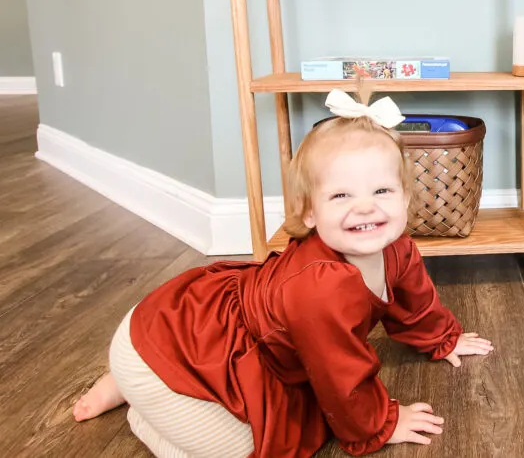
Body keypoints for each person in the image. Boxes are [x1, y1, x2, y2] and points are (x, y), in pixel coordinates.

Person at [72, 88, 493, 457]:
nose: (365, 207)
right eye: (341, 194)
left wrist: (443, 338)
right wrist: (381, 424)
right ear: (309, 211)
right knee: (252, 447)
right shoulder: (320, 288)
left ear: (404, 199)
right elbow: (340, 376)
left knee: (298, 416)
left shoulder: (398, 248)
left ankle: (134, 383)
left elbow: (415, 301)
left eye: (382, 190)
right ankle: (141, 399)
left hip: (175, 332)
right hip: (179, 341)